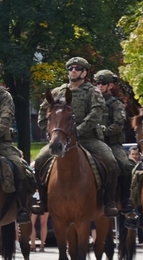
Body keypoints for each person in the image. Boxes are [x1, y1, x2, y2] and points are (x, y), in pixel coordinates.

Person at [34, 57, 118, 219]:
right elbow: (43, 113)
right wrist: (52, 132)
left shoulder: (93, 92)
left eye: (77, 68)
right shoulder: (57, 92)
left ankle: (109, 202)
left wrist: (78, 130)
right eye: (70, 68)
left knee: (110, 161)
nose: (73, 70)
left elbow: (96, 113)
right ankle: (43, 200)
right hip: (60, 139)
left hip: (88, 138)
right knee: (39, 161)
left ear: (84, 72)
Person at [93, 70, 135, 215]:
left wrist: (103, 131)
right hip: (92, 142)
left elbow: (119, 124)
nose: (99, 86)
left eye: (103, 83)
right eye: (97, 83)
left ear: (110, 85)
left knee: (125, 166)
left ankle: (126, 200)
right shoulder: (91, 101)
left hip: (112, 144)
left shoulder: (116, 104)